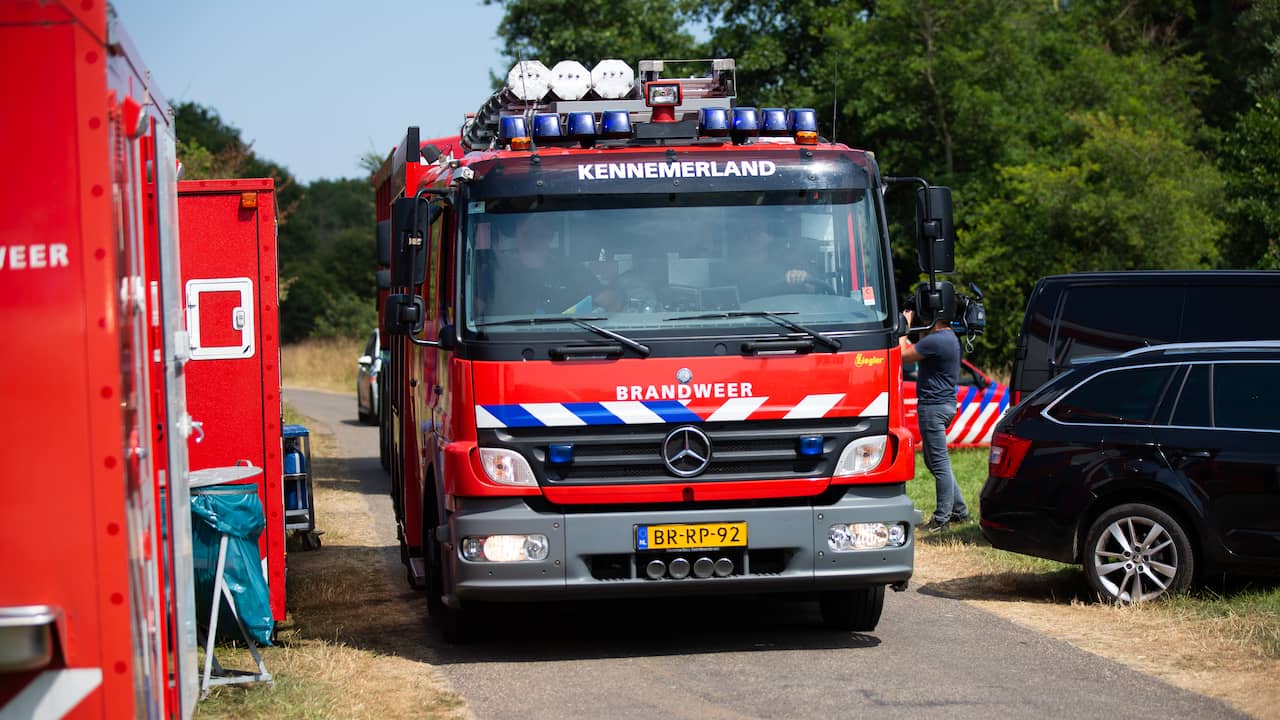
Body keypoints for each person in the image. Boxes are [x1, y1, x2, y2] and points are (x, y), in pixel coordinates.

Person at [899, 302, 970, 532]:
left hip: (933, 407)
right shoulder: (949, 338)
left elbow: (901, 355)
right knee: (935, 462)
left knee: (939, 464)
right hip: (945, 405)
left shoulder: (937, 340)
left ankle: (941, 519)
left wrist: (904, 326)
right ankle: (960, 511)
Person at [478, 215, 603, 317]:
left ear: (550, 236)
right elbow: (474, 315)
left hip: (566, 342)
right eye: (529, 233)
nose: (534, 240)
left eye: (541, 235)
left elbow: (611, 302)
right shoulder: (495, 271)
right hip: (505, 344)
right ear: (517, 234)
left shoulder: (573, 271)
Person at [733, 225, 820, 302]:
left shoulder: (790, 263)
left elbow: (814, 292)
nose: (749, 235)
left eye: (756, 230)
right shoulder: (729, 270)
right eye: (745, 231)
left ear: (770, 236)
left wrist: (804, 279)